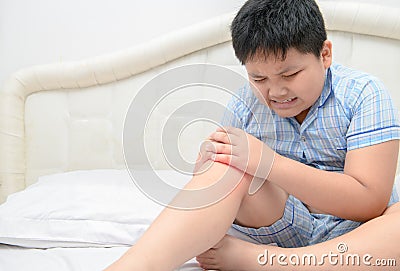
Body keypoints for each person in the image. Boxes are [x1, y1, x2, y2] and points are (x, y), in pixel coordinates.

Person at [105, 0, 400, 270]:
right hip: (281, 223)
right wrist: (208, 168)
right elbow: (220, 195)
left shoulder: (363, 93)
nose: (276, 91)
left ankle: (265, 262)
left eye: (290, 74)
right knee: (225, 167)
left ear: (324, 54)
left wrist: (269, 163)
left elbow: (369, 202)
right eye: (259, 78)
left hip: (360, 235)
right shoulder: (245, 104)